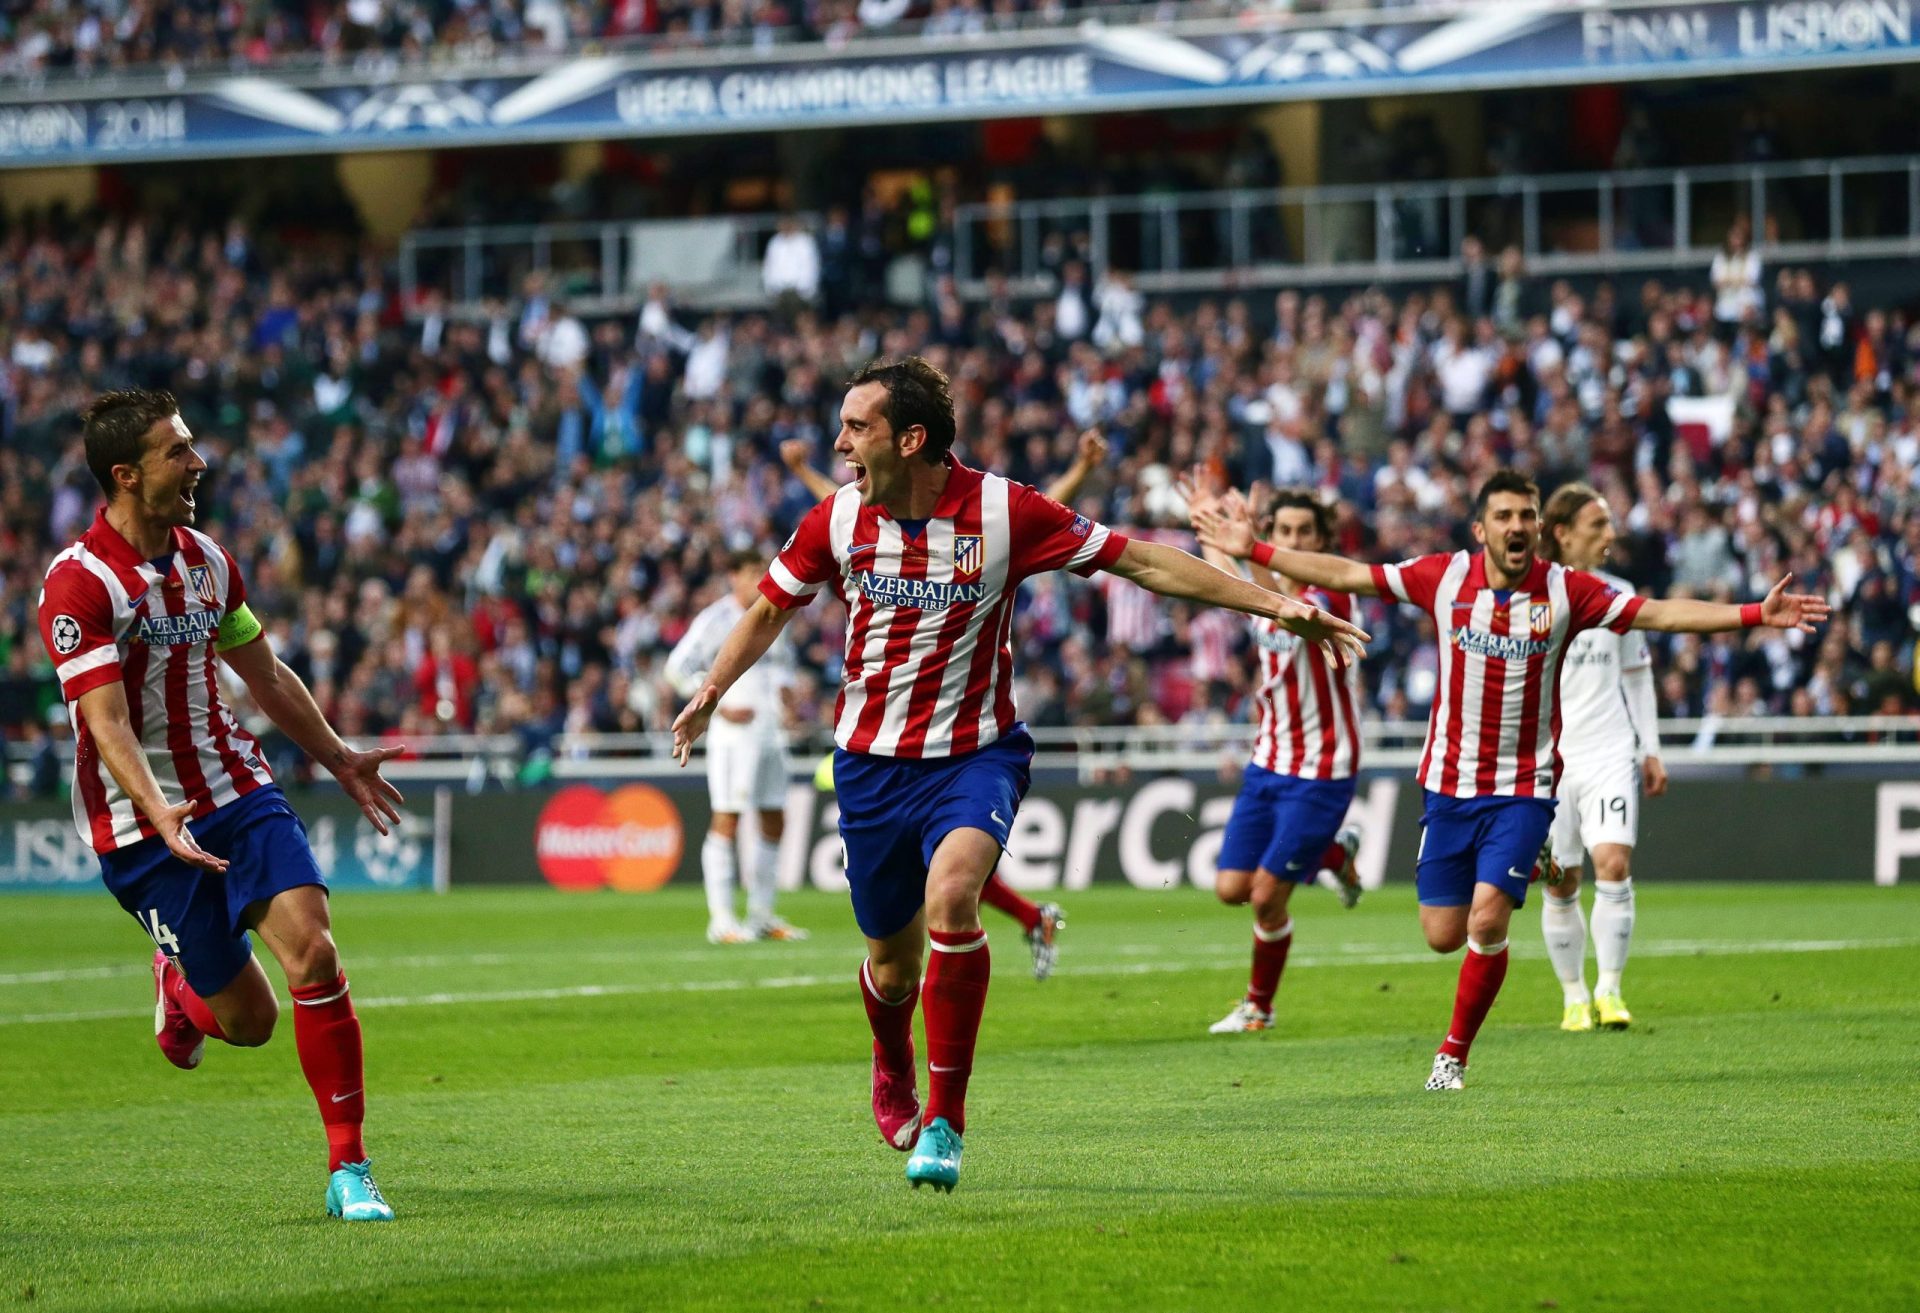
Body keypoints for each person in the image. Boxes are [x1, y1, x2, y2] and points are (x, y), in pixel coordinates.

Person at [677, 358, 1367, 1191]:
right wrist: (712, 688)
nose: (839, 443)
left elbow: (1139, 560)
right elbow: (767, 609)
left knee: (955, 894)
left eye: (855, 428)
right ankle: (890, 1061)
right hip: (869, 764)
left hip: (977, 752)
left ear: (911, 437)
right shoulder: (836, 518)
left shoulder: (1006, 510)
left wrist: (1276, 601)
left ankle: (946, 1119)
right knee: (891, 968)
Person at [1194, 469, 1827, 1092]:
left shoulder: (1569, 591)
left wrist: (1751, 614)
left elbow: (1657, 614)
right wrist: (1254, 552)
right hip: (1449, 784)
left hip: (1524, 786)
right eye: (1503, 516)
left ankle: (1452, 1056)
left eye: (1526, 514)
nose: (1516, 525)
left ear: (1538, 526)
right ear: (1481, 529)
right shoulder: (1444, 578)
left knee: (1487, 923)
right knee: (1442, 935)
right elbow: (1351, 574)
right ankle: (1545, 866)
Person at [37, 389, 408, 1220]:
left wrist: (338, 757)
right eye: (178, 451)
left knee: (314, 953)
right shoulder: (78, 585)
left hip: (238, 792)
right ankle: (182, 987)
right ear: (127, 475)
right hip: (140, 829)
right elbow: (105, 721)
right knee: (250, 1023)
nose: (198, 461)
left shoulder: (209, 560)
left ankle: (349, 1167)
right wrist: (160, 809)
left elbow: (266, 674)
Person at [778, 429, 1112, 981]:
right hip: (881, 741)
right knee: (936, 891)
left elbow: (1047, 507)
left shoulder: (994, 516)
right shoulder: (858, 514)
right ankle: (1032, 917)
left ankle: (1031, 920)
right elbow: (846, 505)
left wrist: (1078, 469)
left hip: (964, 715)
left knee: (953, 882)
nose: (846, 446)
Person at [1180, 478, 1365, 1035]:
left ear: (1322, 539)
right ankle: (1333, 855)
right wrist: (1205, 524)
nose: (1294, 539)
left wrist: (1248, 546)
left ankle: (1259, 1007)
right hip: (1270, 760)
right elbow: (1221, 573)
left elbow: (1292, 614)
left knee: (1264, 898)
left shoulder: (1331, 597)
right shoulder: (1259, 585)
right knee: (1230, 889)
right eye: (1284, 530)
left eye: (1305, 531)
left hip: (1322, 768)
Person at [1537, 484, 1666, 1031]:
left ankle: (1610, 991)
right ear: (1563, 533)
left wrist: (1650, 746)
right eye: (1598, 525)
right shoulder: (1532, 596)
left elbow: (1637, 674)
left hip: (1609, 749)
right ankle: (1573, 996)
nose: (1610, 535)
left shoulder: (1619, 595)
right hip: (1548, 760)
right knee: (1560, 880)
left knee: (1613, 863)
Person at [664, 548, 807, 944]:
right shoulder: (716, 619)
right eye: (750, 572)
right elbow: (676, 667)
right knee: (728, 818)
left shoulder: (776, 615)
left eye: (762, 570)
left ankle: (761, 915)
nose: (758, 577)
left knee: (774, 818)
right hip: (733, 737)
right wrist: (713, 705)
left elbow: (783, 668)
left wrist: (788, 698)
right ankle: (722, 919)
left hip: (771, 734)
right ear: (732, 577)